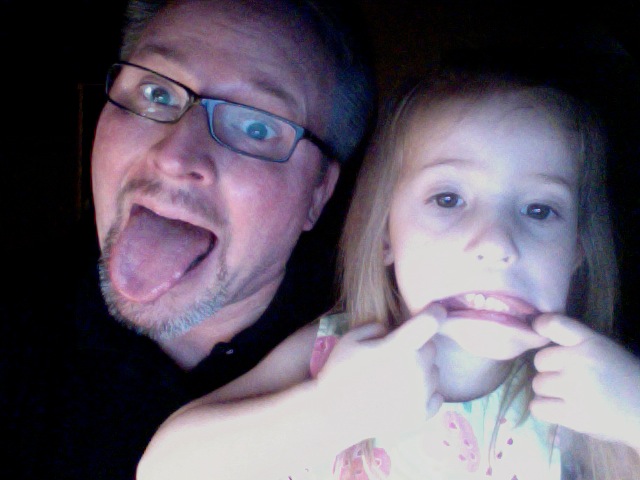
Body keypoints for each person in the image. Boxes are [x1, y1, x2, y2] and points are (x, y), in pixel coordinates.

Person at [136, 66, 640, 480]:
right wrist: (330, 413)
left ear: (577, 250)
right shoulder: (335, 354)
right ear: (384, 236)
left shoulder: (591, 394)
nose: (497, 244)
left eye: (539, 211)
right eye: (448, 199)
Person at [1, 0, 375, 478]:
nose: (175, 156)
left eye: (257, 127)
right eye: (157, 93)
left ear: (318, 193)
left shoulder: (383, 366)